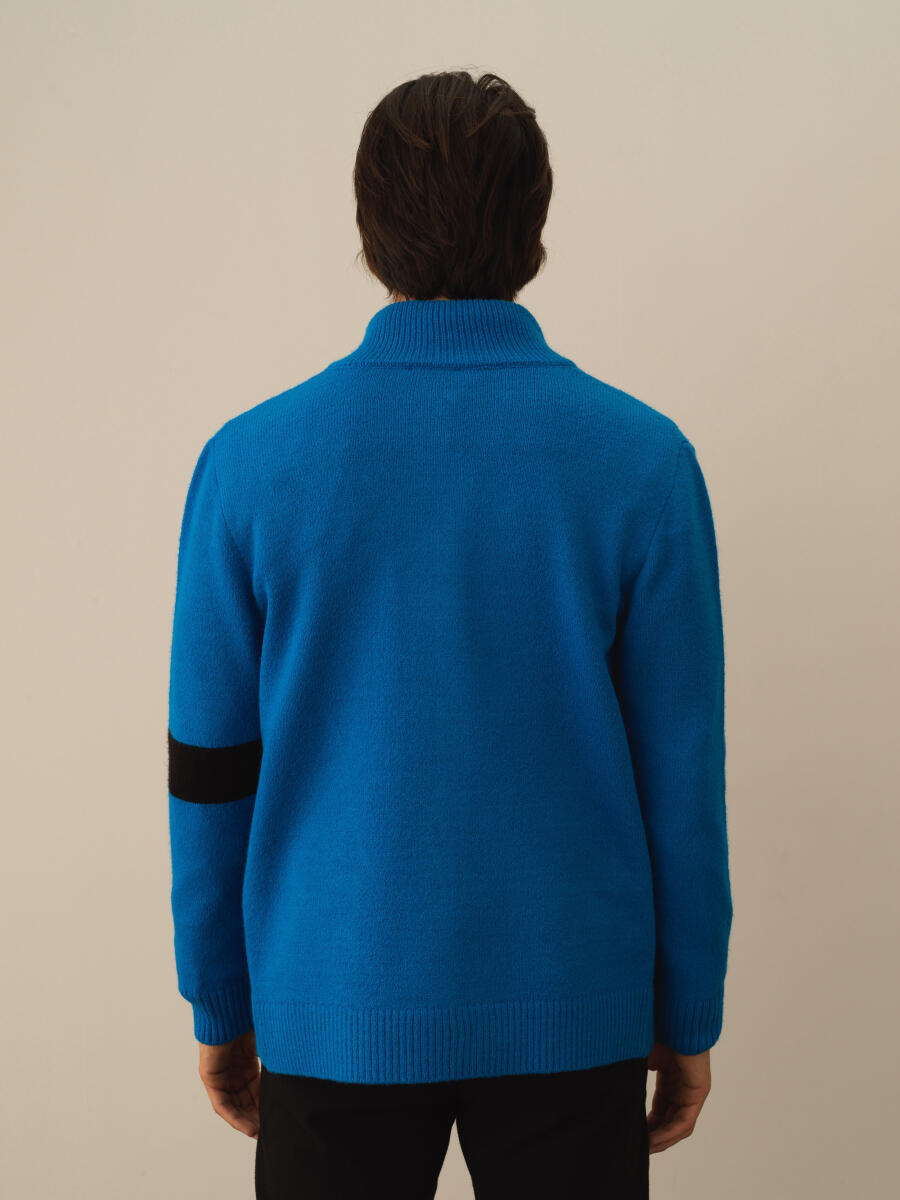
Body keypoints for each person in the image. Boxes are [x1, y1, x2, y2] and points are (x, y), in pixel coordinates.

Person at [167, 69, 733, 1199]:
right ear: (535, 226)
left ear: (368, 227)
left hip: (332, 1002)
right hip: (573, 1007)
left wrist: (220, 999)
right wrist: (687, 1013)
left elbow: (211, 768)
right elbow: (683, 773)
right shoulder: (642, 462)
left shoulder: (251, 465)